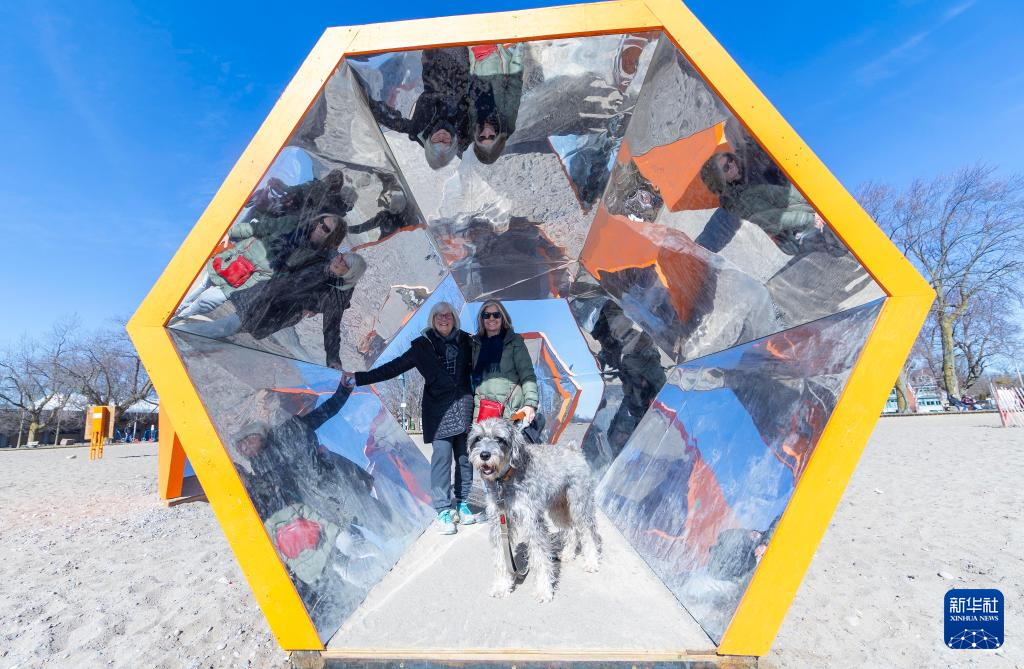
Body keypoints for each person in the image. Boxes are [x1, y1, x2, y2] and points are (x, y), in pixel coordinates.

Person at [346, 302, 476, 535]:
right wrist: (359, 378)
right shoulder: (422, 347)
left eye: (448, 315)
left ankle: (463, 503)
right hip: (439, 411)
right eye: (439, 316)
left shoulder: (467, 341)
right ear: (432, 320)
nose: (444, 319)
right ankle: (443, 510)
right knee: (442, 459)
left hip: (463, 407)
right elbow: (393, 367)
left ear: (454, 318)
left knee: (465, 458)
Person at [181, 251, 366, 369]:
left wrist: (333, 359)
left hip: (272, 314)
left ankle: (178, 334)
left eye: (344, 263)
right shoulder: (323, 259)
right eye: (341, 256)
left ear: (349, 272)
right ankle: (181, 333)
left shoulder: (337, 293)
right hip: (262, 293)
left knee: (225, 327)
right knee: (223, 321)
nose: (339, 260)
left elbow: (332, 326)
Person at [470, 299, 539, 428]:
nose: (491, 318)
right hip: (482, 411)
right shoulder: (475, 344)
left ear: (503, 318)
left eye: (496, 315)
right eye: (486, 315)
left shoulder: (514, 342)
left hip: (510, 411)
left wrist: (530, 404)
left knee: (508, 440)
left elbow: (527, 375)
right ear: (481, 319)